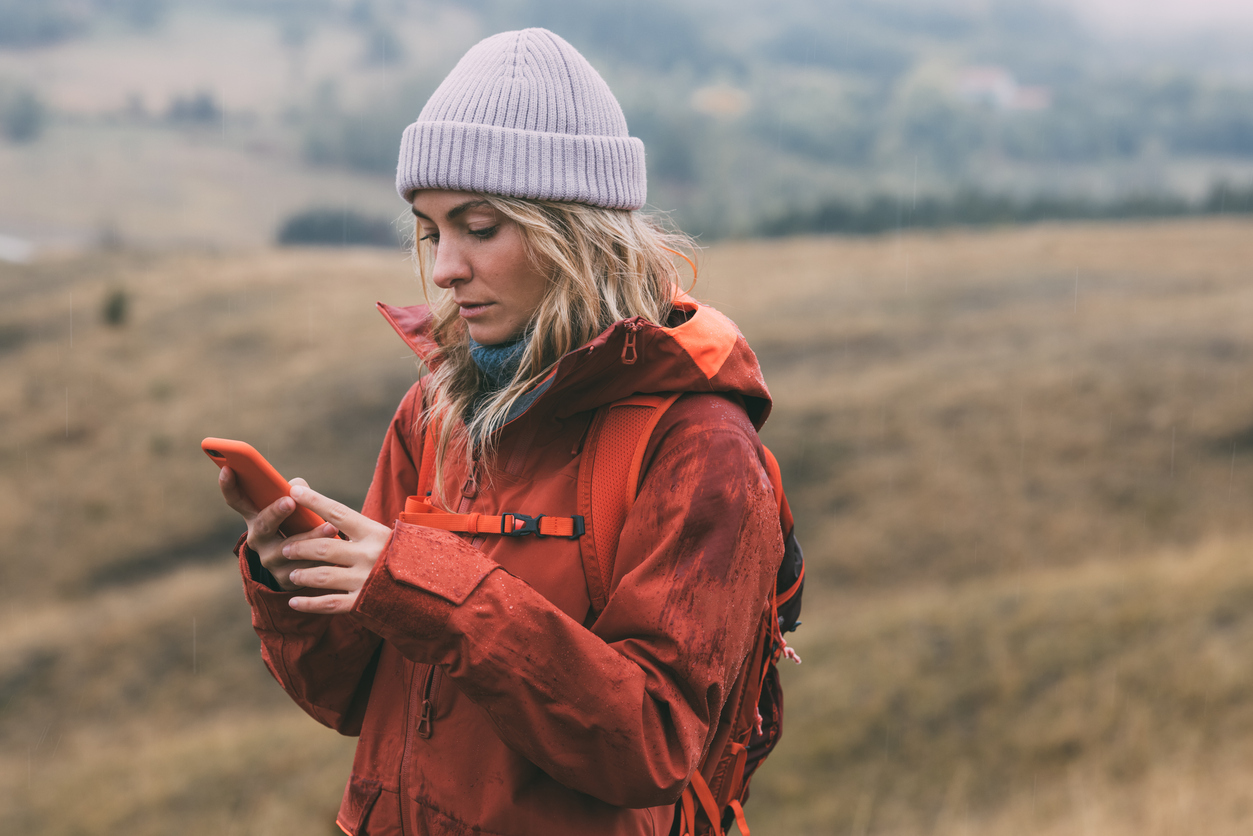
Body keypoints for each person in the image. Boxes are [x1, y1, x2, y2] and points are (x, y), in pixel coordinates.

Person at [218, 28, 785, 836]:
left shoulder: (699, 446)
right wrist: (292, 581)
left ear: (576, 232)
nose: (445, 266)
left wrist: (431, 590)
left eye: (478, 227)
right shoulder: (433, 413)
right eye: (429, 229)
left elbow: (650, 744)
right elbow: (349, 699)